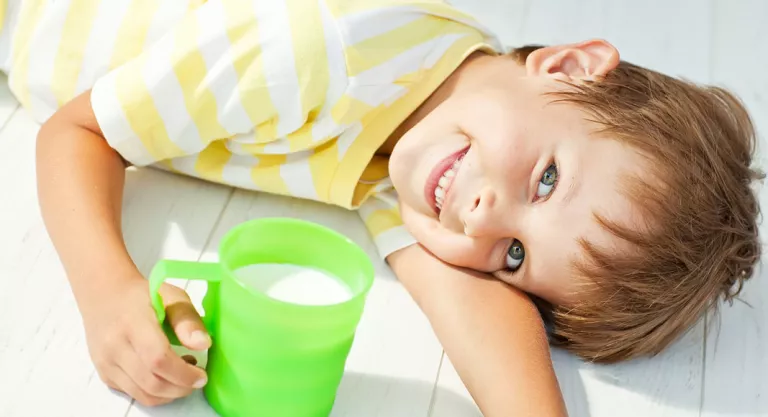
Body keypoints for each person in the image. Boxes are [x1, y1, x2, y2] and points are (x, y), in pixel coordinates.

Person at [3, 0, 759, 415]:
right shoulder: (315, 56)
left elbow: (474, 306)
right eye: (548, 181)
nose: (483, 216)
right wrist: (109, 293)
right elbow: (76, 130)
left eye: (517, 256)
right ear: (567, 67)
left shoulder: (440, 117)